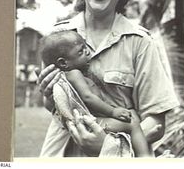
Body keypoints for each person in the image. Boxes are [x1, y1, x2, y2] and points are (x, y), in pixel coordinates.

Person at [38, 0, 179, 157]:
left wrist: (109, 145)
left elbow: (156, 121)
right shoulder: (57, 39)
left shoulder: (139, 41)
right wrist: (49, 97)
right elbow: (55, 106)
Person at [40, 29, 151, 157]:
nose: (88, 52)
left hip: (89, 122)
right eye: (81, 51)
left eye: (85, 46)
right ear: (63, 63)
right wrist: (113, 112)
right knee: (132, 123)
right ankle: (145, 159)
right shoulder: (74, 74)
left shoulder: (74, 76)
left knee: (130, 119)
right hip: (90, 124)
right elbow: (88, 98)